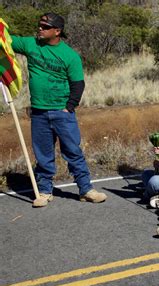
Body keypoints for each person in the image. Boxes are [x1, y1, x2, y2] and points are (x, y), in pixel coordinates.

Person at [11, 12, 107, 207]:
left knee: (72, 151)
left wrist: (69, 107)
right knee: (43, 154)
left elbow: (78, 84)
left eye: (45, 27)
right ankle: (45, 191)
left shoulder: (70, 55)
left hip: (62, 112)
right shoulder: (31, 44)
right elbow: (6, 41)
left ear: (57, 31)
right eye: (39, 25)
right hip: (39, 112)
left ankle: (86, 189)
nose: (40, 29)